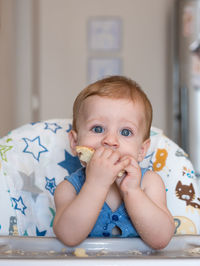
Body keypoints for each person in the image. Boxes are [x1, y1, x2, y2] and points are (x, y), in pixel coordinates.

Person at [53, 75, 175, 249]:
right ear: (75, 142)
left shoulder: (149, 183)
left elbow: (161, 239)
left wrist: (132, 191)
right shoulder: (69, 188)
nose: (110, 140)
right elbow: (68, 236)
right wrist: (96, 184)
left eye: (125, 132)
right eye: (98, 129)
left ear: (141, 150)